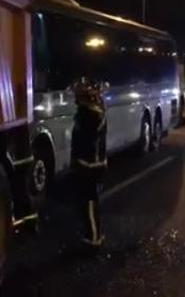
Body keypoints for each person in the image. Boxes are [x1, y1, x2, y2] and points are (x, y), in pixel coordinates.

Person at [71, 77, 107, 247]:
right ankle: (94, 234)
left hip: (88, 165)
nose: (75, 99)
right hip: (93, 164)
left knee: (89, 203)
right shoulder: (95, 114)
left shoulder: (88, 116)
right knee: (91, 201)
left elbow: (83, 142)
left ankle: (93, 238)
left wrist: (78, 163)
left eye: (79, 95)